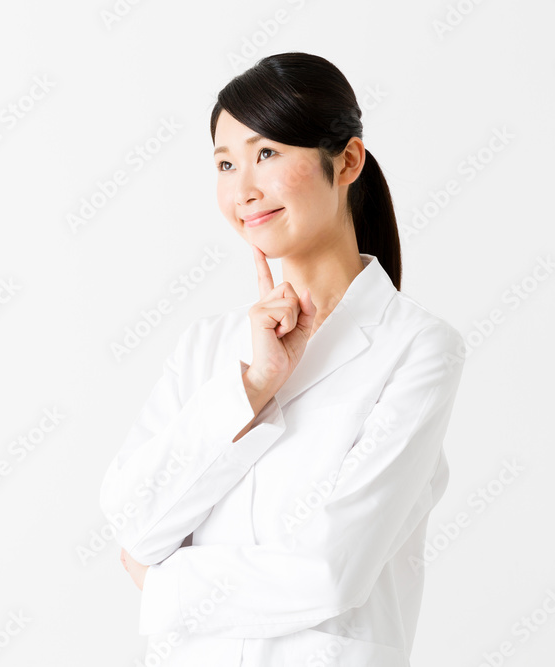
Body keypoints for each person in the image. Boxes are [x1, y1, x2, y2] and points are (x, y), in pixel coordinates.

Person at [98, 52, 466, 666]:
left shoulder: (418, 348)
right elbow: (132, 521)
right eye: (225, 163)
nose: (243, 189)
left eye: (267, 153)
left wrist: (162, 583)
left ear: (346, 161)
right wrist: (252, 385)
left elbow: (329, 569)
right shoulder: (207, 349)